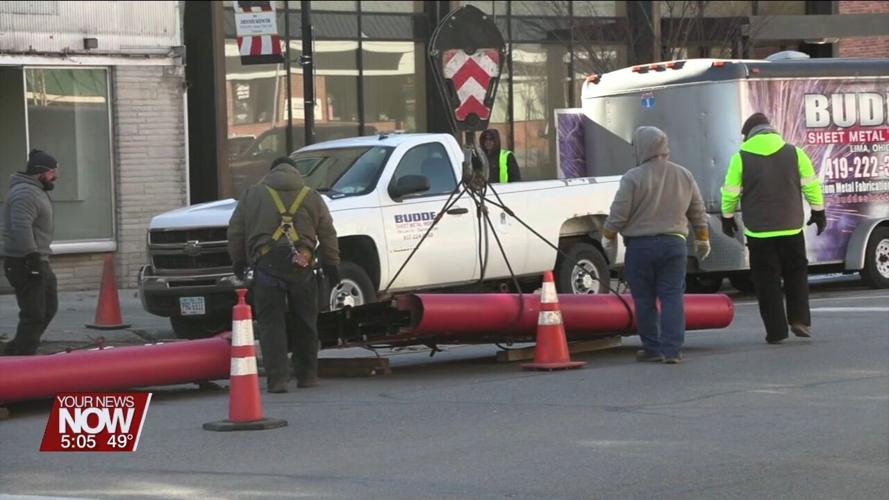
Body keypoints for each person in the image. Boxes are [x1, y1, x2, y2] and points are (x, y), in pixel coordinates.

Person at [228, 156, 341, 393]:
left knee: (271, 325)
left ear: (271, 172)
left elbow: (236, 230)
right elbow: (328, 233)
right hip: (302, 265)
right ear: (295, 172)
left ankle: (277, 380)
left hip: (267, 264)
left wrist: (238, 260)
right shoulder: (311, 196)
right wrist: (332, 265)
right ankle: (307, 376)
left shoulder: (253, 194)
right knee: (306, 322)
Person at [603, 127, 710, 364]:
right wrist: (702, 237)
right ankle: (672, 350)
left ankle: (652, 348)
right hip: (675, 245)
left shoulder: (633, 177)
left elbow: (619, 213)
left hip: (640, 247)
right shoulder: (684, 175)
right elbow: (697, 211)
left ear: (642, 147)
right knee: (672, 296)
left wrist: (608, 235)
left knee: (644, 299)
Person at [721, 113, 825, 345]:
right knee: (796, 273)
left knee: (766, 280)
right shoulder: (795, 153)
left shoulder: (741, 157)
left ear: (748, 134)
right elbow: (811, 184)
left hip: (759, 231)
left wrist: (727, 217)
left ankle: (776, 330)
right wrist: (819, 211)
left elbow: (730, 191)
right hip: (790, 227)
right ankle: (799, 320)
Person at [1, 150, 60, 356]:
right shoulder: (25, 192)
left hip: (39, 259)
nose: (55, 176)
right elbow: (21, 227)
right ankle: (22, 360)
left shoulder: (35, 190)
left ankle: (14, 350)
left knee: (49, 308)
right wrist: (32, 257)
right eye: (52, 171)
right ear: (40, 172)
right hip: (24, 262)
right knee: (33, 314)